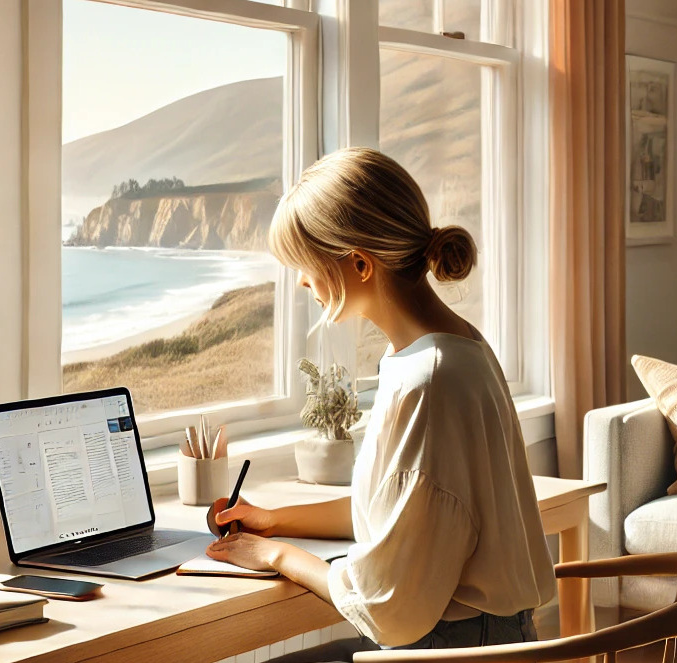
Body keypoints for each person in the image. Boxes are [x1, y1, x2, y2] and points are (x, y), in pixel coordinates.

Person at [205, 148, 554, 660]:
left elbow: (385, 607)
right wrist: (277, 521)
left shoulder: (426, 382)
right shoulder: (455, 348)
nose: (302, 281)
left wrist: (277, 555)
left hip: (454, 650)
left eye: (305, 264)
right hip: (489, 641)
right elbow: (403, 518)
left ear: (361, 264)